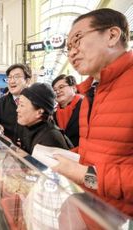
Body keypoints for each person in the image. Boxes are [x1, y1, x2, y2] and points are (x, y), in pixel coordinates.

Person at [52, 8, 133, 217]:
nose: (71, 53)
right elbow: (105, 152)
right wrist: (71, 157)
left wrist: (84, 174)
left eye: (77, 40)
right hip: (94, 212)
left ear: (112, 35)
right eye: (68, 47)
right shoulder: (91, 92)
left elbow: (93, 171)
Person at [16, 83, 72, 155]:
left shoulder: (50, 138)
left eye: (22, 105)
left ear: (39, 112)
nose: (17, 110)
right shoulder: (28, 125)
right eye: (18, 105)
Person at [0, 63, 31, 143]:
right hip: (7, 147)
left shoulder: (34, 101)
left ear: (27, 81)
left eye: (16, 77)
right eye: (9, 77)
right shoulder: (2, 101)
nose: (11, 81)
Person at [52, 74, 83, 147]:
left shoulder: (85, 106)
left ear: (74, 88)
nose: (58, 91)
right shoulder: (53, 114)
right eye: (54, 90)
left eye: (61, 87)